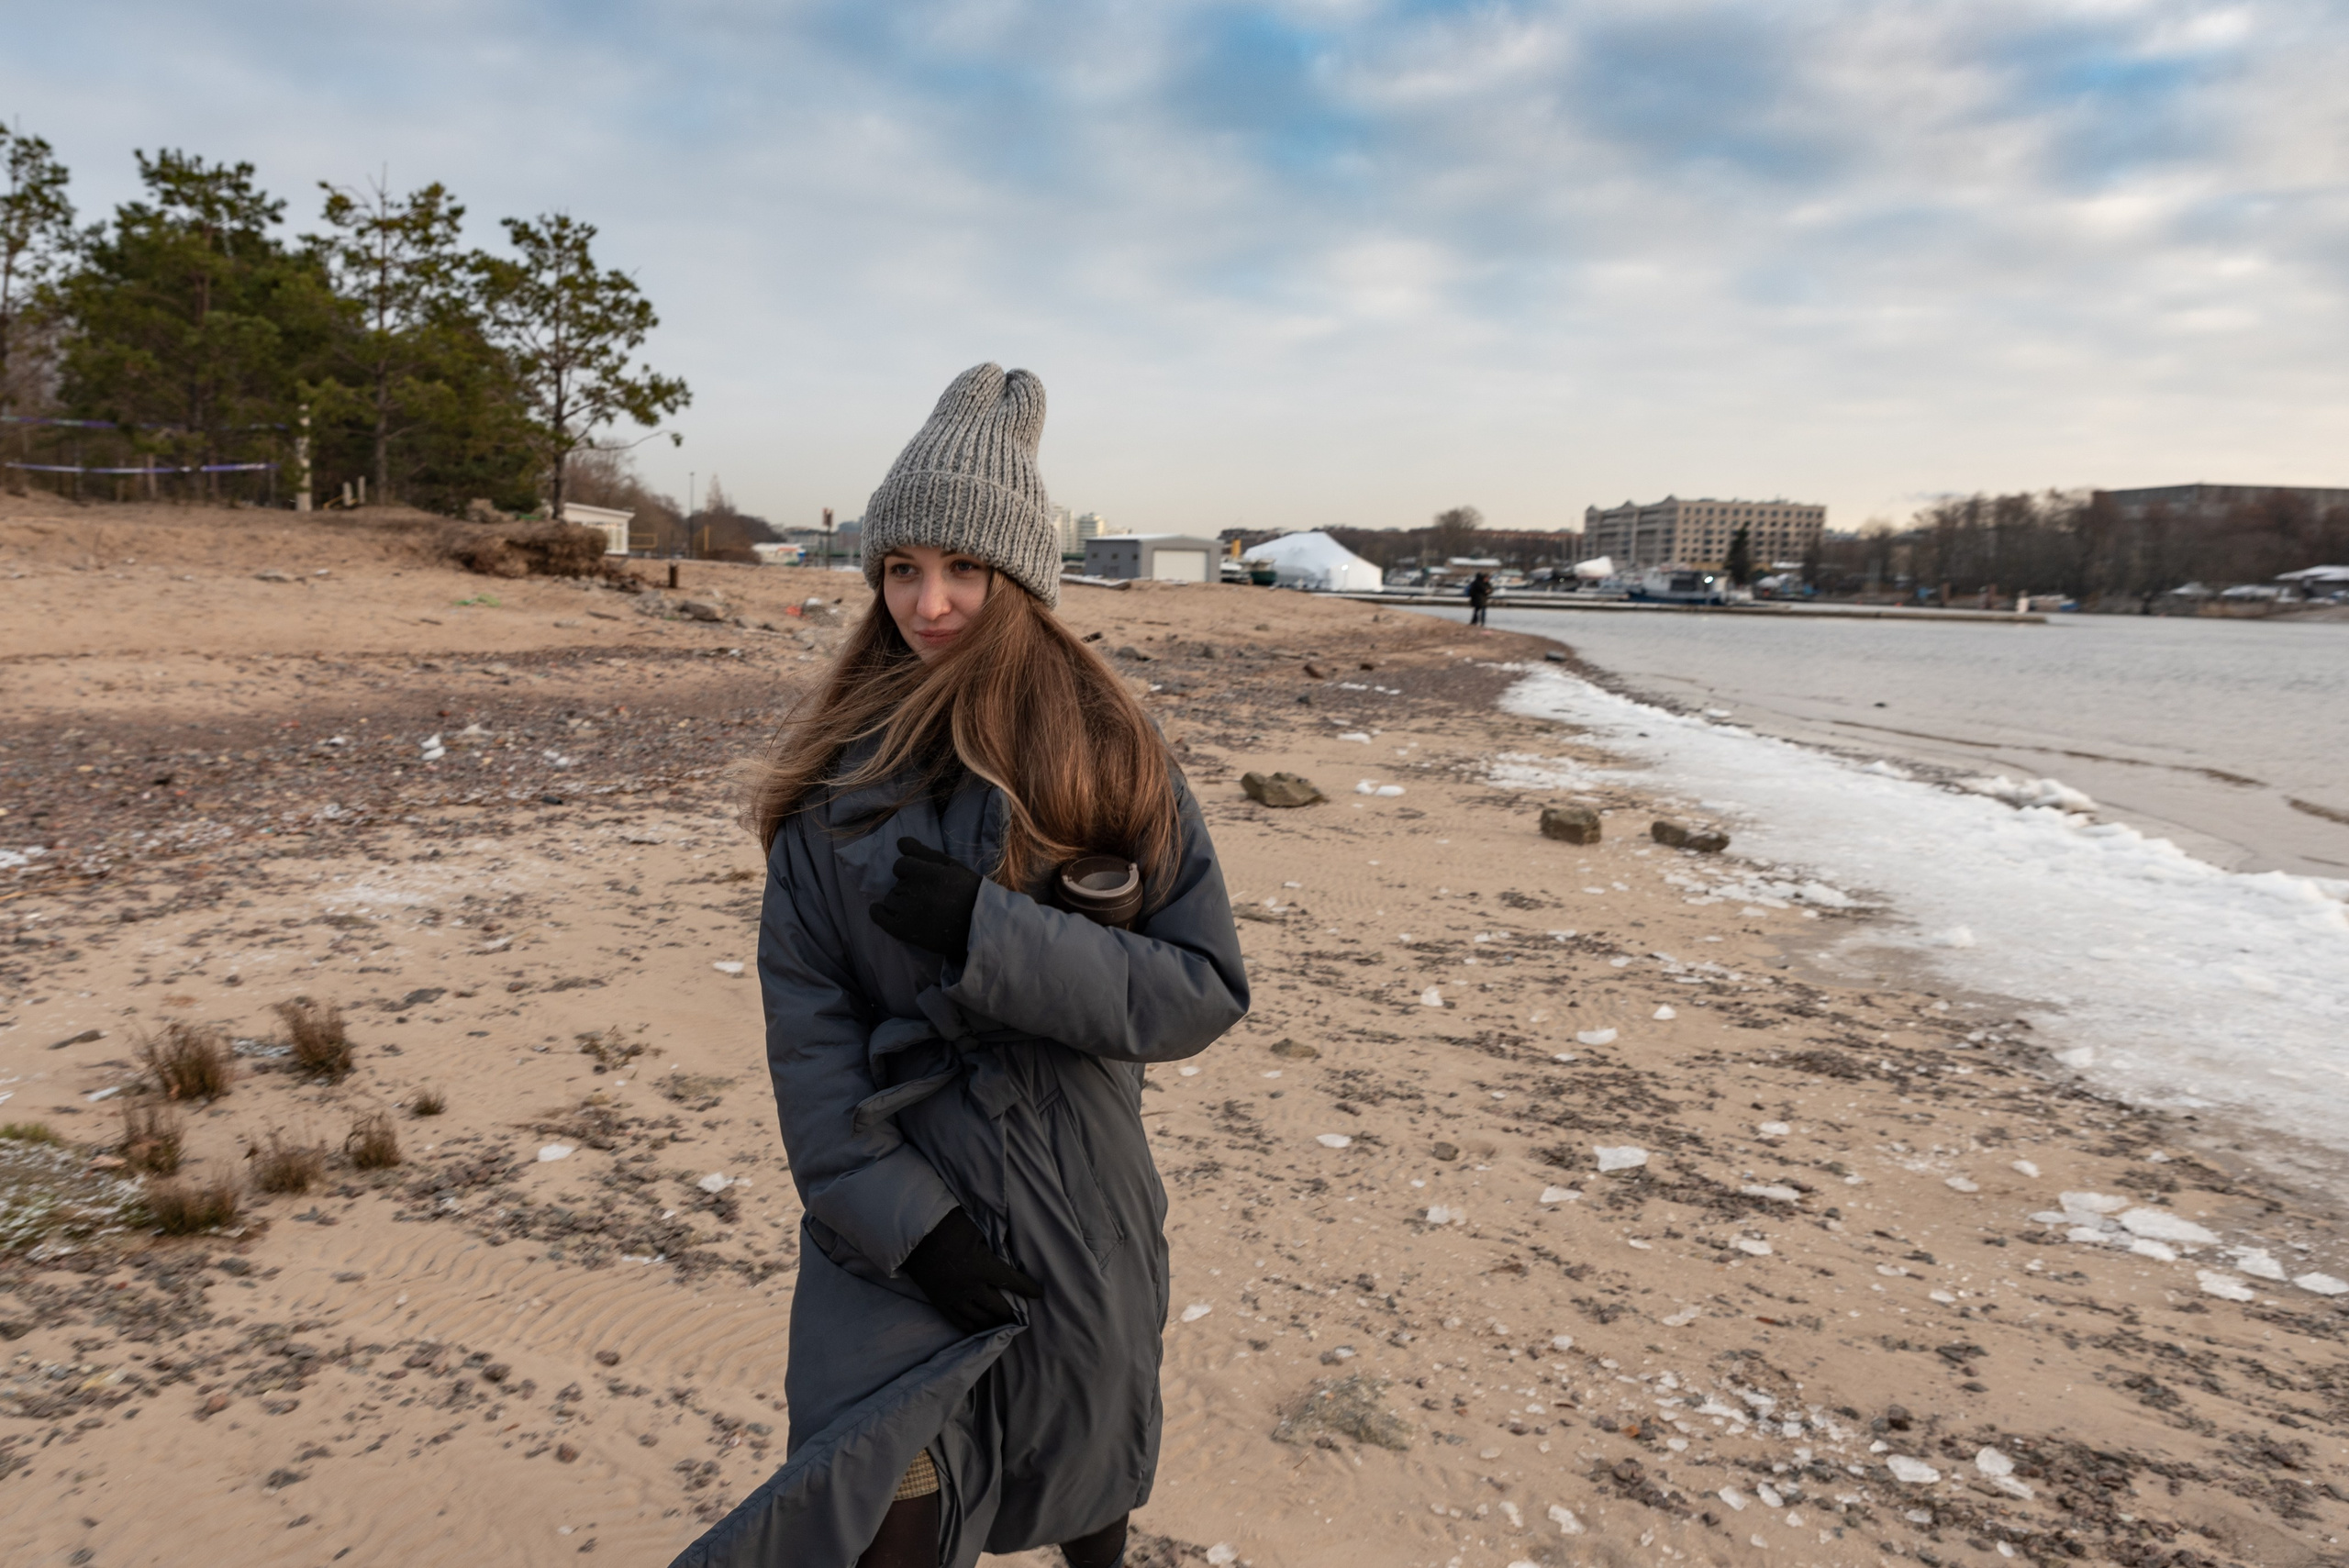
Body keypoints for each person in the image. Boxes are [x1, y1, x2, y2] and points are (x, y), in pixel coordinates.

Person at [674, 364, 1250, 1568]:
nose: (928, 605)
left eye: (963, 570)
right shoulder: (826, 790)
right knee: (882, 1503)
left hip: (1075, 1209)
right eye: (901, 568)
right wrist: (911, 1227)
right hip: (887, 1232)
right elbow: (812, 1053)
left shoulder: (1110, 756)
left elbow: (1198, 989)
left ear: (1020, 579)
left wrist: (995, 939)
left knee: (1086, 1471)